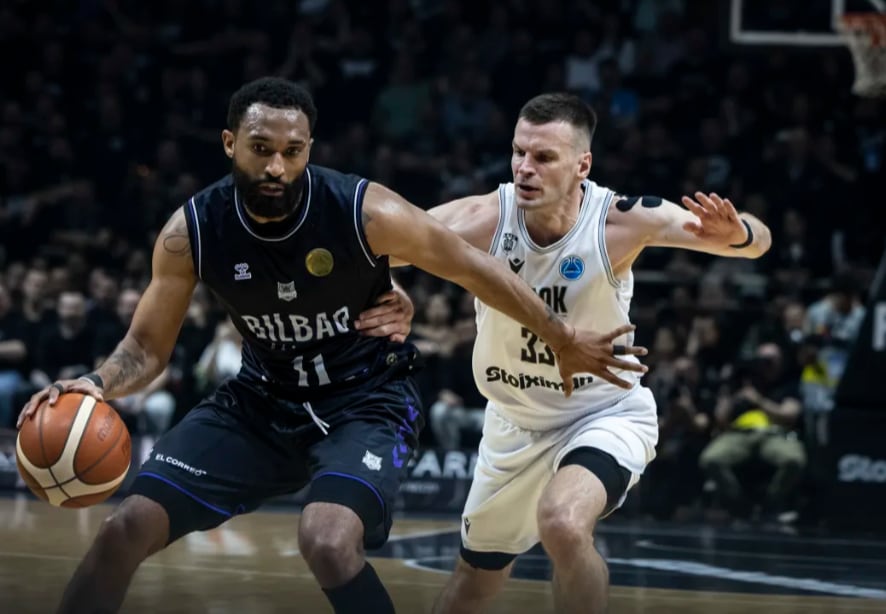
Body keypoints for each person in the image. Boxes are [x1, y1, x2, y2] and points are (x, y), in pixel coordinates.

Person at [16, 78, 647, 614]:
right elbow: (146, 348)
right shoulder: (192, 231)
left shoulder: (363, 209)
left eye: (292, 151)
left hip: (366, 402)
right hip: (262, 401)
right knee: (123, 527)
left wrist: (562, 337)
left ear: (308, 150)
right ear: (231, 144)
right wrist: (94, 385)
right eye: (261, 149)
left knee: (326, 540)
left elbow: (473, 267)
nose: (276, 166)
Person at [376, 92, 771, 613]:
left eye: (544, 157)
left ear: (582, 165)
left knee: (562, 523)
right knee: (473, 584)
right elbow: (374, 242)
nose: (525, 168)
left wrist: (739, 233)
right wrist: (394, 289)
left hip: (603, 414)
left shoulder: (623, 220)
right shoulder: (483, 218)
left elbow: (759, 241)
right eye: (518, 152)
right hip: (514, 425)